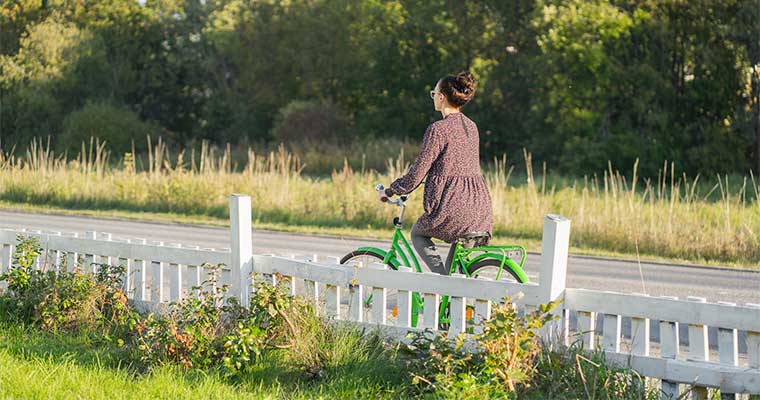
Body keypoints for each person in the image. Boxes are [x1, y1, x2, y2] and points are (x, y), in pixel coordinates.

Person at [379, 71, 493, 275]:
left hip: (454, 206)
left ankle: (438, 281)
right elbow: (456, 166)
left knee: (417, 234)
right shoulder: (471, 126)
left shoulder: (438, 130)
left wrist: (392, 190)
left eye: (434, 93)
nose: (433, 97)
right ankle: (446, 296)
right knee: (454, 277)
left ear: (441, 97)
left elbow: (419, 170)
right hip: (479, 207)